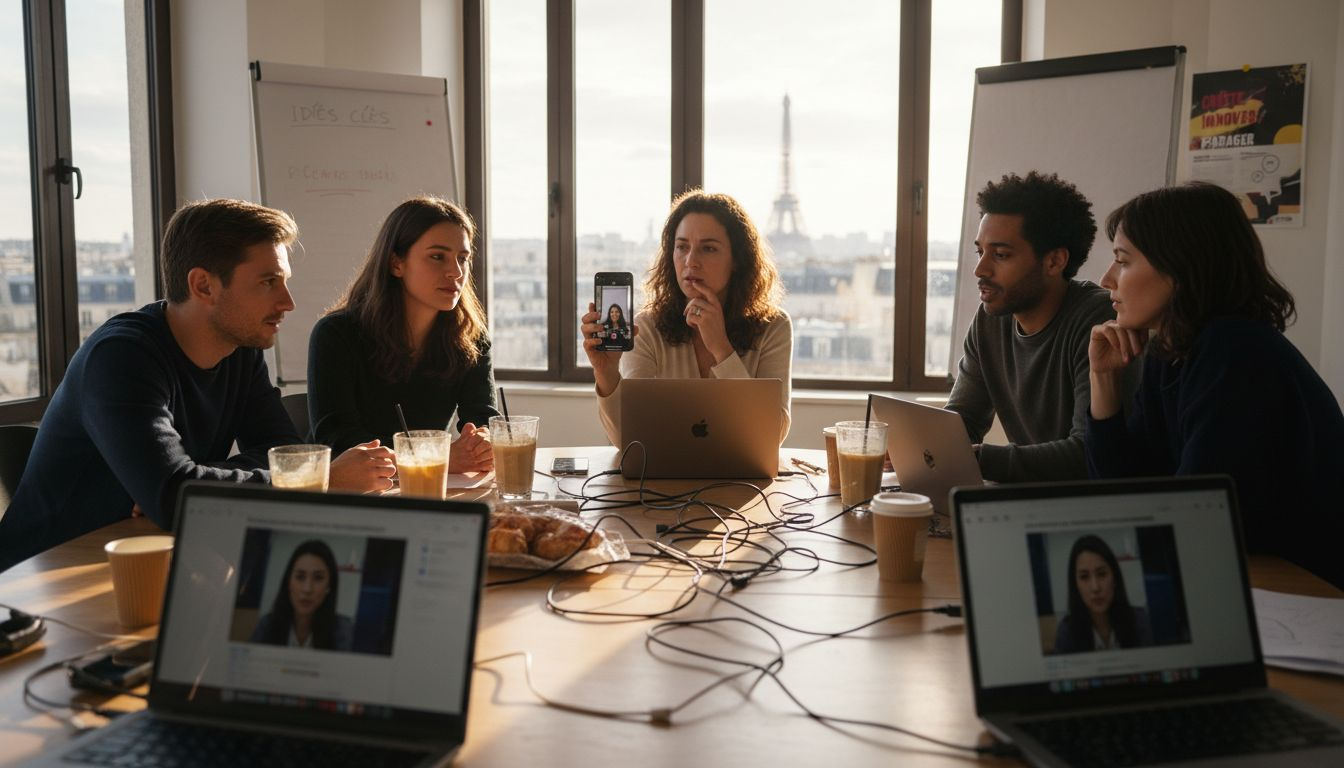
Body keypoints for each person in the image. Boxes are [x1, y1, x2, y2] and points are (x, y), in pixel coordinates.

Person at [0, 199, 394, 572]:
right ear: (203, 286)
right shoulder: (121, 356)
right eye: (268, 282)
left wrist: (196, 480)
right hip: (42, 577)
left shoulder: (240, 348)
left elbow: (281, 455)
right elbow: (176, 497)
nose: (287, 301)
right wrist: (322, 478)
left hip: (149, 554)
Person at [1086, 182, 1344, 589]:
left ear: (1181, 268)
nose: (1106, 279)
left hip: (1303, 591)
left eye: (1123, 261)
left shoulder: (1235, 351)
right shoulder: (1172, 352)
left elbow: (1199, 517)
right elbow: (1125, 493)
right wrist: (1103, 380)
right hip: (1241, 577)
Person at [945, 171, 1133, 483]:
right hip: (1032, 501)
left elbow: (1085, 452)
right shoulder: (990, 319)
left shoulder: (1098, 321)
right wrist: (922, 445)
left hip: (1086, 511)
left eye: (1001, 255)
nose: (980, 269)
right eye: (981, 252)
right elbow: (961, 422)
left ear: (1055, 261)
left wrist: (978, 458)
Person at [581, 190, 792, 446]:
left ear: (737, 259)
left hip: (742, 481)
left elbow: (772, 435)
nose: (691, 261)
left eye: (708, 248)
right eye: (682, 247)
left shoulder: (773, 326)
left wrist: (721, 349)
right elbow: (627, 441)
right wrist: (606, 373)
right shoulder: (647, 326)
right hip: (660, 480)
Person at [308, 196, 496, 473]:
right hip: (351, 494)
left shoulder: (470, 336)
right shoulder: (336, 334)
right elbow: (339, 440)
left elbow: (484, 420)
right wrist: (438, 458)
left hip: (427, 491)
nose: (455, 272)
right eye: (437, 257)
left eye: (463, 258)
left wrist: (483, 442)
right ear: (396, 263)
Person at [1052, 535, 1153, 654]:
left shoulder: (1140, 621)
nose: (1095, 587)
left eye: (1102, 574)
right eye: (1084, 577)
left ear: (1114, 578)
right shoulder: (1067, 632)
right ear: (1075, 585)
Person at [250, 539, 354, 651]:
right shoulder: (267, 625)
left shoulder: (344, 630)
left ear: (329, 586)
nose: (307, 589)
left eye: (318, 578)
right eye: (300, 577)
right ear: (288, 582)